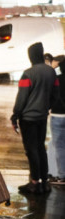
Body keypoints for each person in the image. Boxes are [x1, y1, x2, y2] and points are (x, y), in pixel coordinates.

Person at [11, 42, 59, 194]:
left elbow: (22, 98)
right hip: (42, 116)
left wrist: (15, 115)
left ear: (31, 56)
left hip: (28, 118)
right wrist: (47, 107)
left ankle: (34, 182)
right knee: (40, 148)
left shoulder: (28, 74)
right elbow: (56, 95)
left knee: (31, 150)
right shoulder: (51, 72)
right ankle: (44, 182)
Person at [47, 55, 65, 184]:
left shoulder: (57, 79)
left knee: (59, 147)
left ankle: (62, 176)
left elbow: (50, 96)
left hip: (57, 115)